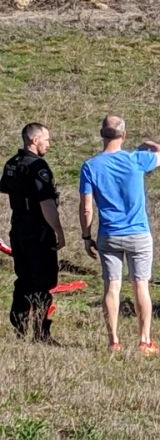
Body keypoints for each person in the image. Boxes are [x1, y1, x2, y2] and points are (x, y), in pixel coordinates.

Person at [79, 115, 160, 355]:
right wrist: (150, 143)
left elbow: (87, 207)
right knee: (141, 286)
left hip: (109, 234)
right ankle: (144, 340)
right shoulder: (136, 160)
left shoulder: (90, 166)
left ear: (101, 134)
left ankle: (114, 341)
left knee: (112, 287)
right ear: (124, 135)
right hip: (138, 233)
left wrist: (86, 235)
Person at [0, 124, 65, 343]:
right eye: (46, 139)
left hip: (18, 229)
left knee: (24, 279)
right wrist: (58, 231)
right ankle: (41, 333)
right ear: (34, 140)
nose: (49, 143)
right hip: (38, 231)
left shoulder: (12, 164)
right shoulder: (38, 167)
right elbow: (46, 203)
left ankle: (19, 329)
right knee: (43, 282)